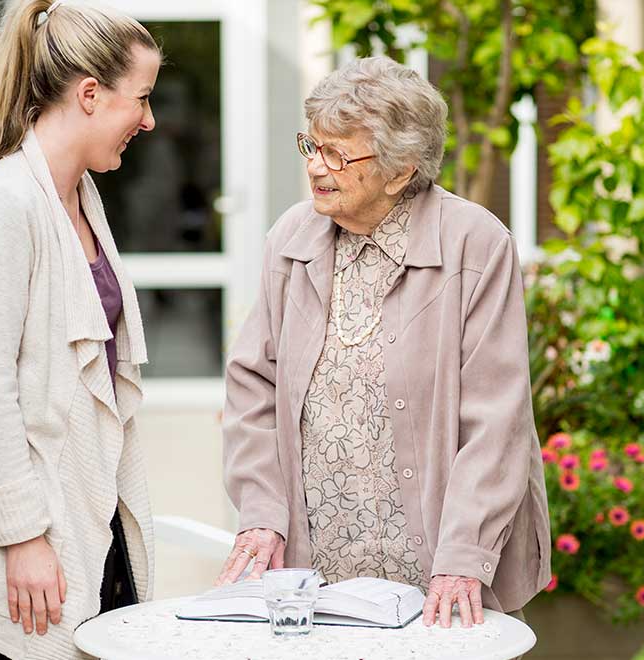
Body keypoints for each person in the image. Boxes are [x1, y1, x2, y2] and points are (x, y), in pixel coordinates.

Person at [217, 56, 551, 630]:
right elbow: (253, 388)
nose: (316, 167)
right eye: (311, 146)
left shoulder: (475, 243)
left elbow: (498, 417)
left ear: (402, 170)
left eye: (338, 154)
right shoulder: (292, 238)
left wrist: (463, 557)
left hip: (442, 578)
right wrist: (262, 512)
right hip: (318, 577)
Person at [0, 2, 160, 658]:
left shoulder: (80, 197)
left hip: (91, 507)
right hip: (37, 537)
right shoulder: (4, 204)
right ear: (90, 94)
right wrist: (23, 537)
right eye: (139, 99)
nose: (148, 119)